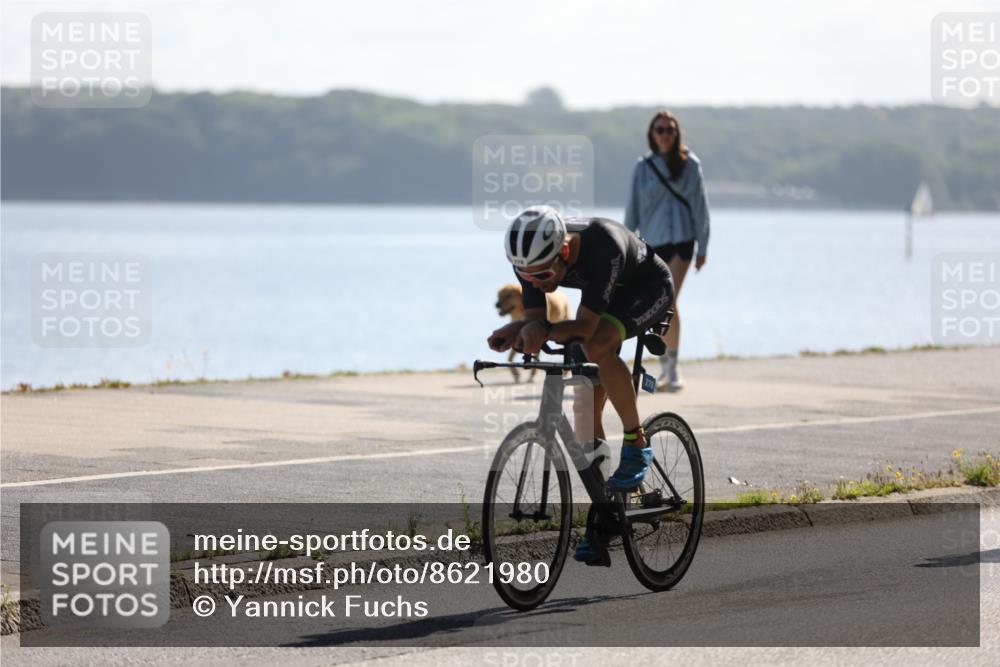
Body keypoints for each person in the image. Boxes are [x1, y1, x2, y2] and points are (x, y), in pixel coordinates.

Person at [488, 206, 675, 549]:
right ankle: (607, 514)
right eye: (527, 277)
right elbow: (535, 318)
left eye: (543, 275)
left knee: (596, 344)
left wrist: (542, 330)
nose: (537, 283)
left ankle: (636, 442)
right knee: (584, 408)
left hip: (647, 288)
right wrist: (515, 330)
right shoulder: (531, 260)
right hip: (601, 298)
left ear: (563, 250)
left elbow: (587, 328)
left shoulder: (602, 245)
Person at [624, 110, 711, 391]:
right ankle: (664, 366)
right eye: (659, 130)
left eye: (669, 130)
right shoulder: (642, 167)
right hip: (653, 244)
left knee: (669, 301)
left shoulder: (690, 164)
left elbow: (701, 208)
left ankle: (672, 368)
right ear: (652, 134)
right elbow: (632, 211)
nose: (665, 135)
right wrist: (625, 246)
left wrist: (703, 246)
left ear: (676, 133)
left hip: (682, 242)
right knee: (660, 304)